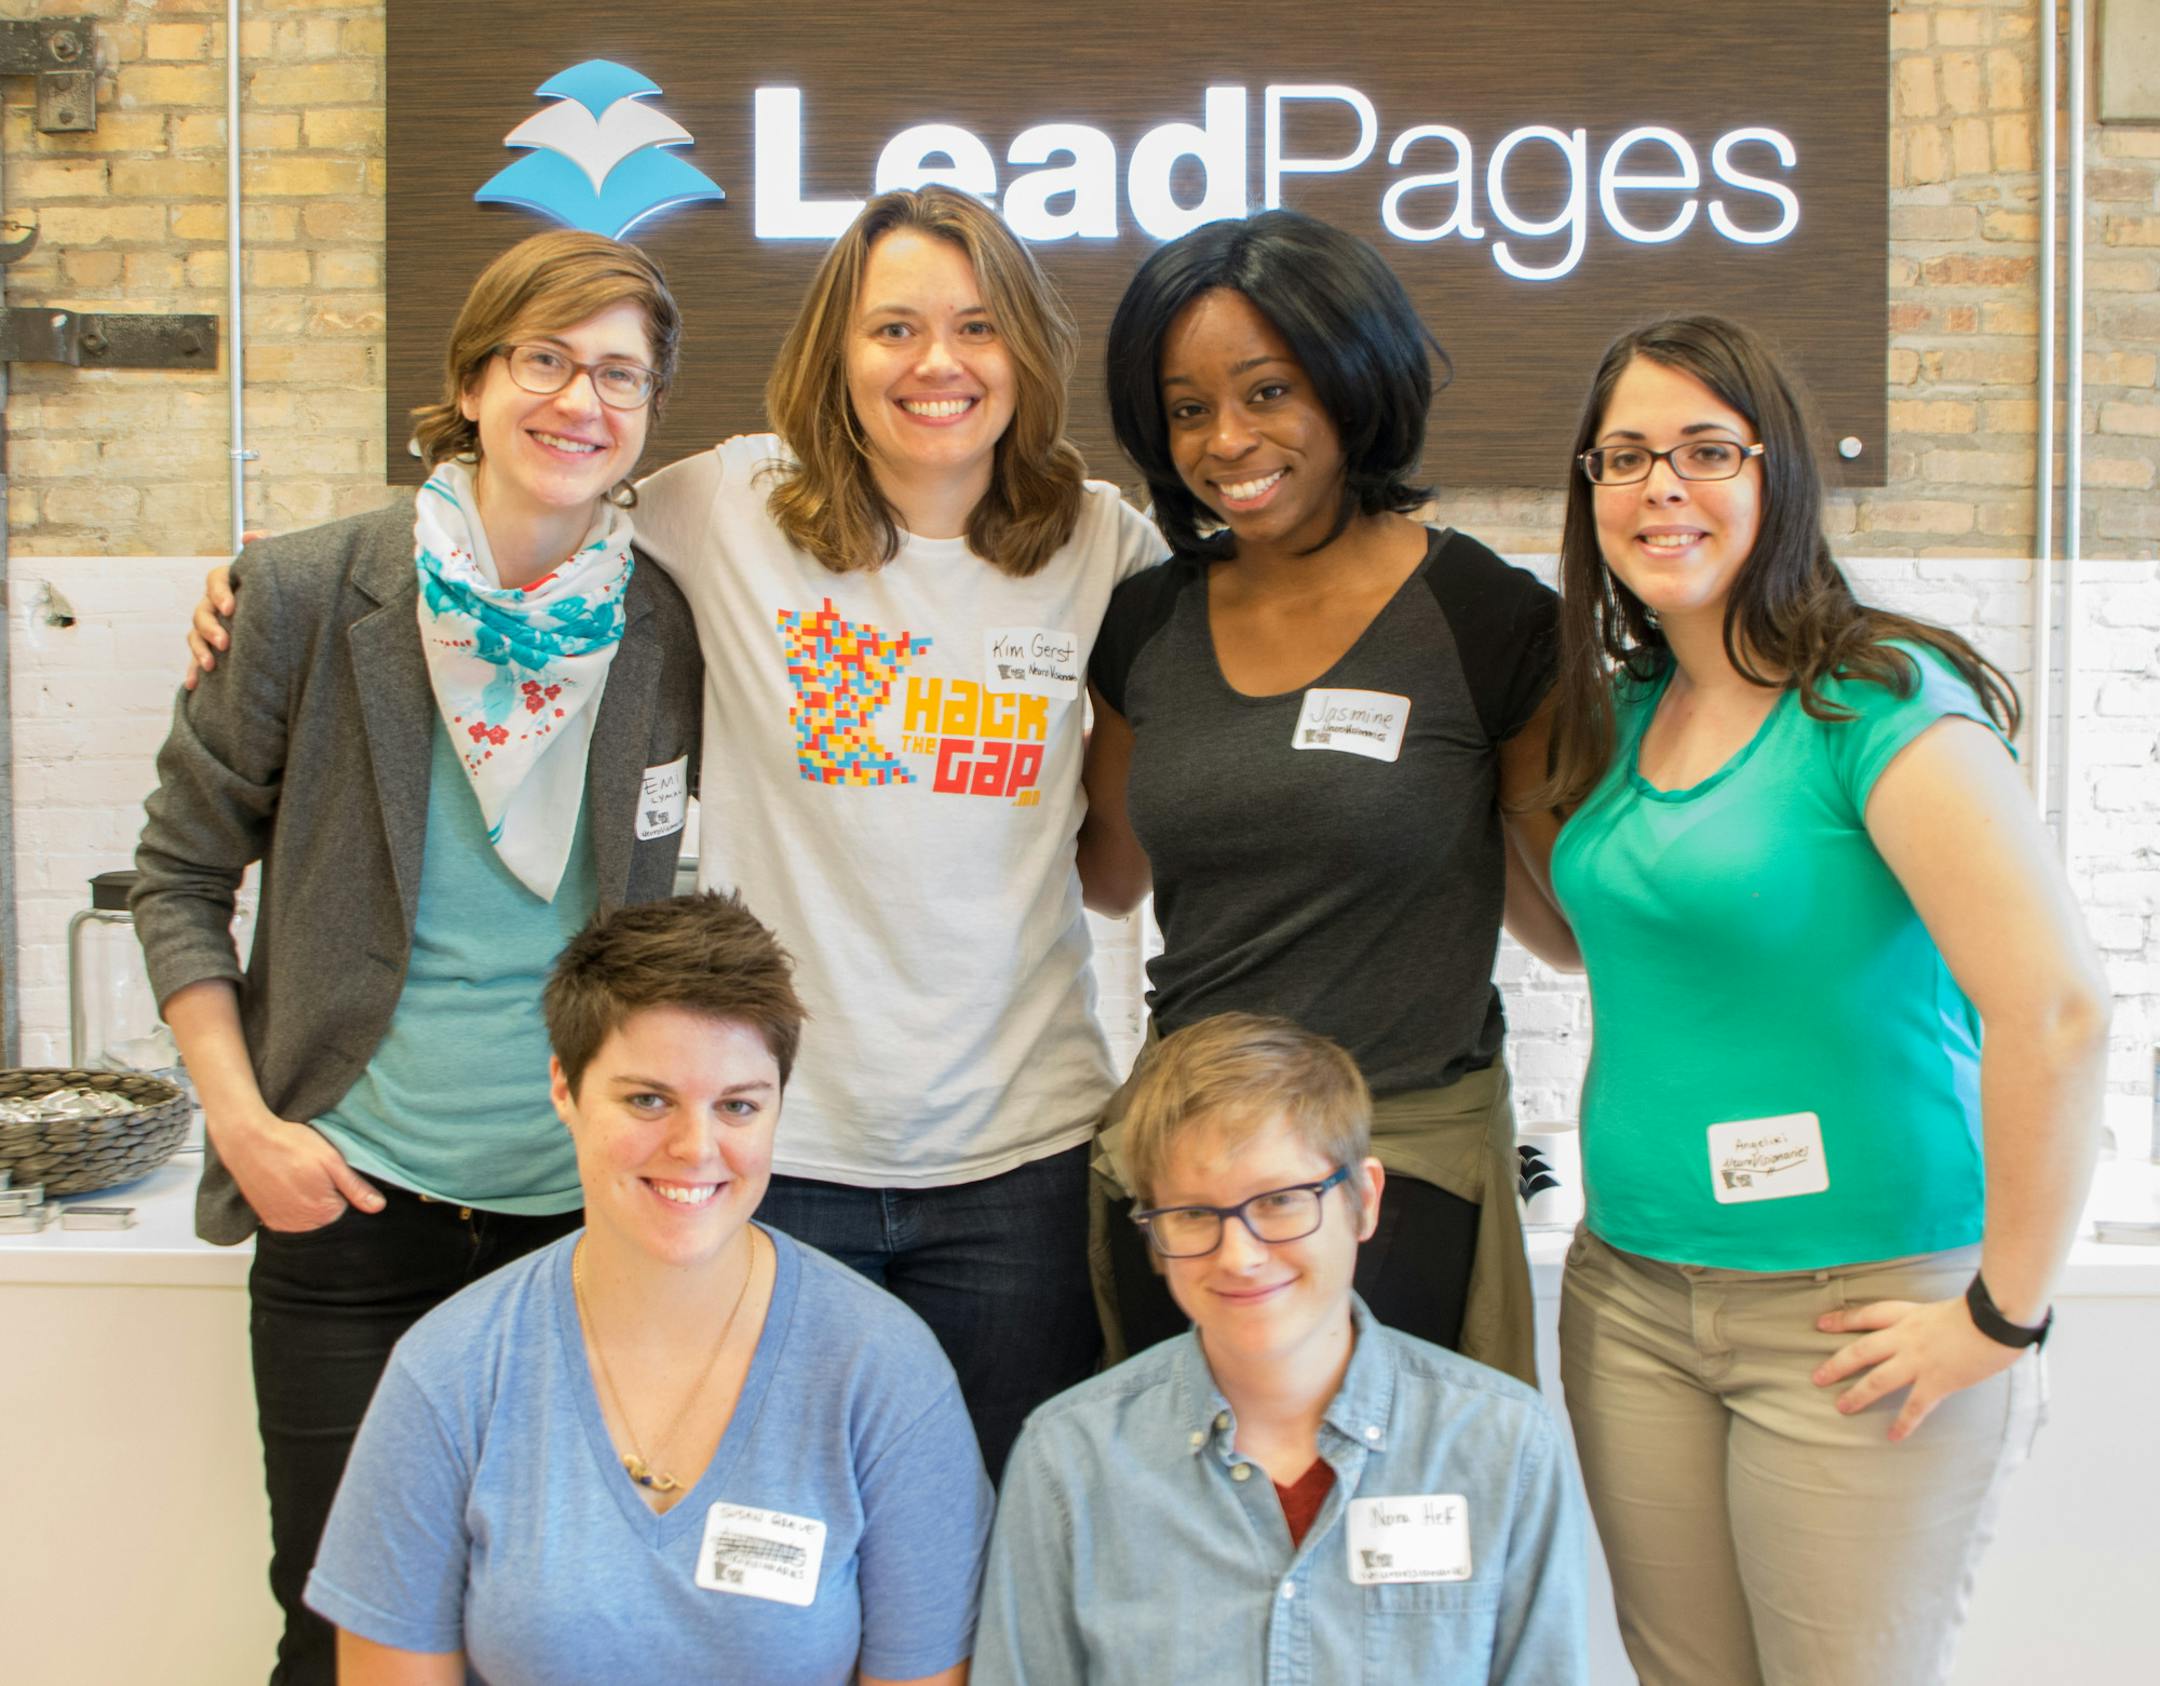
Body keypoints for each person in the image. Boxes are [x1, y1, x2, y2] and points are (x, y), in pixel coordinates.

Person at [189, 189, 1165, 1479]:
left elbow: (1116, 862)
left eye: (977, 326)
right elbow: (518, 496)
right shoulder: (729, 503)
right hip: (775, 1150)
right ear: (836, 350)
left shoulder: (1107, 545)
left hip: (1020, 1162)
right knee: (764, 1550)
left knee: (992, 1551)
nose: (937, 362)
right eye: (893, 329)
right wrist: (264, 583)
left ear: (1027, 349)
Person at [133, 230, 705, 1684]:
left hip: (575, 1223)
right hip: (349, 1207)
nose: (582, 399)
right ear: (472, 378)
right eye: (547, 358)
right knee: (340, 1634)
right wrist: (244, 1121)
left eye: (621, 375)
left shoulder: (657, 626)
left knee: (552, 1624)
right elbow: (182, 875)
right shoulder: (315, 595)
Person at [1541, 314, 2109, 1685]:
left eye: (1703, 450)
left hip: (1855, 1317)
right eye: (1625, 456)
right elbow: (1609, 938)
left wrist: (2002, 1314)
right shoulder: (1627, 710)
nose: (1660, 486)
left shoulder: (1879, 701)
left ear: (1778, 471)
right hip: (1632, 1296)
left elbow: (2054, 1012)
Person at [1080, 209, 1574, 1384]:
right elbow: (1110, 879)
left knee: (1403, 1536)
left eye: (1268, 392)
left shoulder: (1489, 623)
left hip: (1399, 1159)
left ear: (1355, 386)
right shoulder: (1146, 623)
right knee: (1185, 1525)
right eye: (1188, 409)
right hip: (1186, 1167)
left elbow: (1567, 926)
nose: (1226, 440)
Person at [305, 892, 991, 1686]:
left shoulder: (882, 1369)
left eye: (737, 1106)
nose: (695, 1148)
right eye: (647, 1099)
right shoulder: (452, 1370)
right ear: (564, 1088)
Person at [975, 1012, 1586, 1685]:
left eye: (1280, 1202)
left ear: (1363, 1200)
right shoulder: (1068, 1461)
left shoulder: (1504, 1445)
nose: (1239, 1256)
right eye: (1191, 1214)